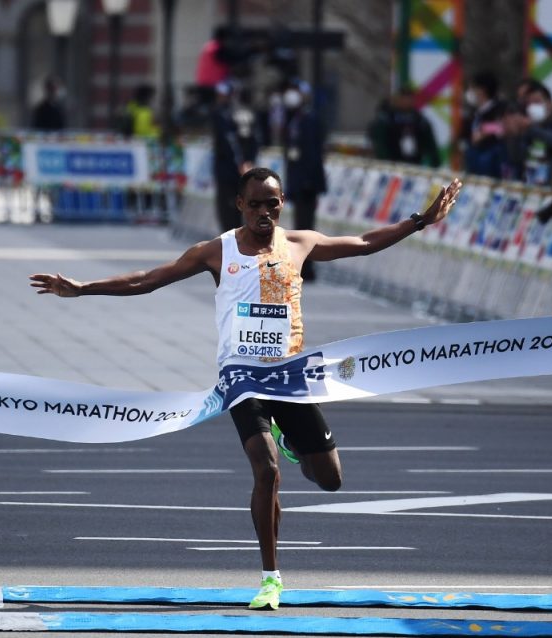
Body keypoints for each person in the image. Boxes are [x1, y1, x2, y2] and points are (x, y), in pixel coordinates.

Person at [29, 167, 464, 610]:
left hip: (291, 374)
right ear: (239, 204)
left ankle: (290, 438)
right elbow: (149, 278)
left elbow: (366, 244)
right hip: (241, 375)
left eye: (271, 203)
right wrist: (84, 288)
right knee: (266, 470)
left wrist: (420, 220)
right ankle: (271, 578)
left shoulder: (300, 244)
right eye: (254, 203)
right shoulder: (215, 251)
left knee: (330, 480)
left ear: (282, 203)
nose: (263, 211)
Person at [283, 82, 326, 281]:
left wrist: (310, 180)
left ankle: (307, 268)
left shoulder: (310, 119)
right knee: (299, 225)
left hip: (306, 182)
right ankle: (302, 266)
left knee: (306, 227)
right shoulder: (294, 118)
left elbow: (312, 153)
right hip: (297, 179)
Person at [211, 81, 259, 233]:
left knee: (230, 208)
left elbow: (230, 140)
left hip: (230, 167)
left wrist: (241, 161)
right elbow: (256, 139)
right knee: (239, 205)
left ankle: (235, 240)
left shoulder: (225, 114)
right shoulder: (246, 112)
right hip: (241, 166)